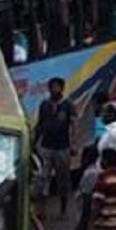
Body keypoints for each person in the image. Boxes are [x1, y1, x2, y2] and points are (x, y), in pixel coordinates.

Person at [34, 77, 76, 218]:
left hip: (62, 147)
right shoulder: (44, 105)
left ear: (62, 89)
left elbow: (73, 126)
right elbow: (40, 124)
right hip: (46, 147)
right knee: (42, 179)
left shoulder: (68, 105)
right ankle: (41, 211)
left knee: (62, 180)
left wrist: (73, 144)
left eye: (57, 87)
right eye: (52, 87)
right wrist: (34, 142)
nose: (54, 89)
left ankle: (63, 210)